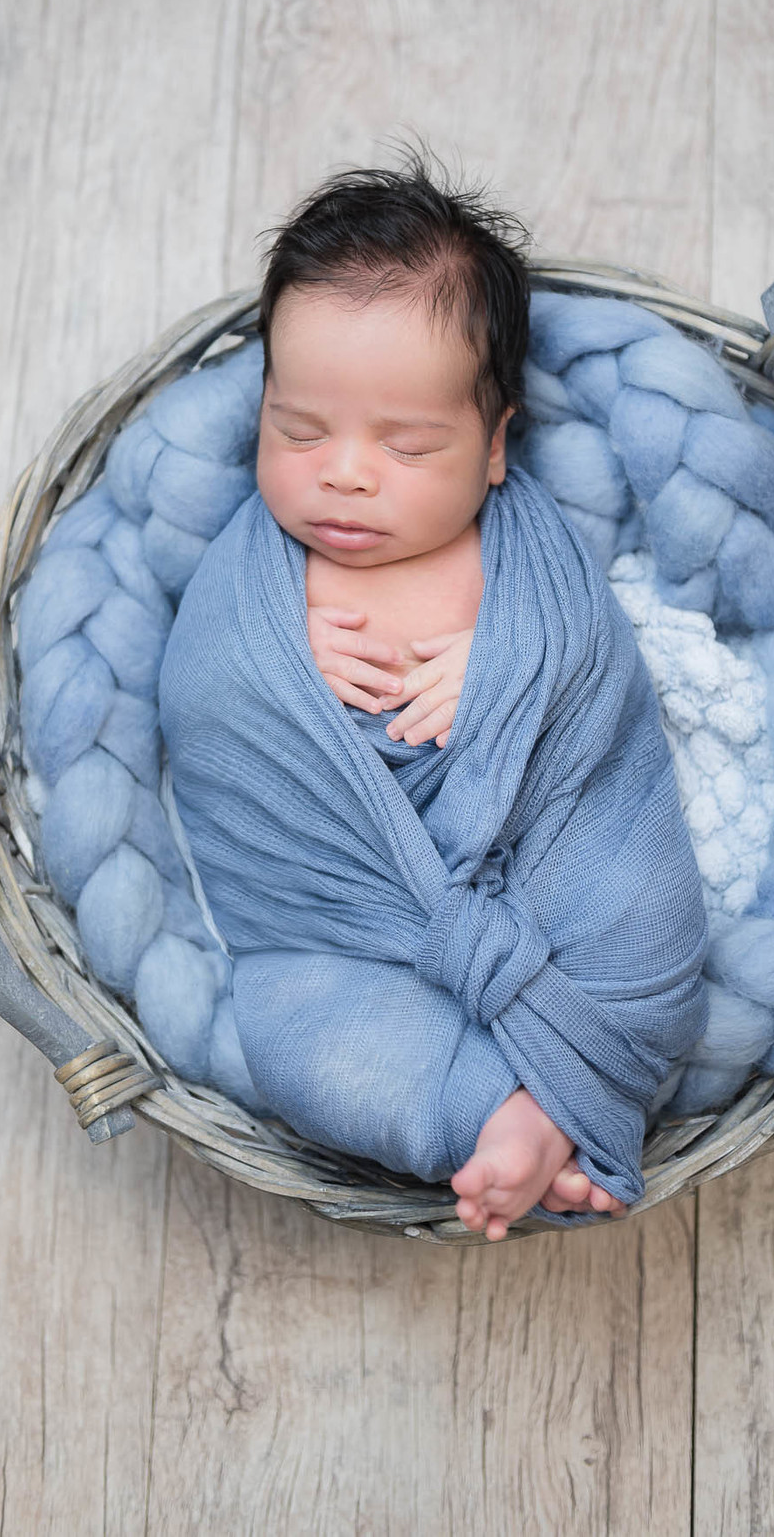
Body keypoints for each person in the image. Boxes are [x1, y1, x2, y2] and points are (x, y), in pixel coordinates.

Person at [159, 136, 709, 1239]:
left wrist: (507, 668)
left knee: (648, 926)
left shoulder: (525, 549)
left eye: (409, 445)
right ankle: (499, 1114)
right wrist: (286, 667)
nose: (346, 471)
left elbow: (592, 667)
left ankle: (560, 1094)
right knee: (301, 1039)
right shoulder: (253, 577)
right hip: (350, 926)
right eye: (298, 430)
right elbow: (202, 692)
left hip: (540, 854)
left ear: (498, 448)